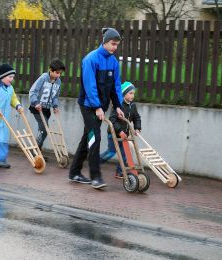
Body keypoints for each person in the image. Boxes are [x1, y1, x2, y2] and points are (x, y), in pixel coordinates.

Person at [68, 28, 125, 189]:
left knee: (88, 137)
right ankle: (96, 177)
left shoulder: (113, 62)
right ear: (105, 41)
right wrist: (97, 107)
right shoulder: (91, 59)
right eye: (113, 44)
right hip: (88, 105)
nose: (115, 47)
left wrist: (118, 106)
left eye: (117, 45)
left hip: (101, 106)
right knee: (95, 137)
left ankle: (74, 172)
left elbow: (116, 86)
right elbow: (89, 86)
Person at [100, 81, 141, 179]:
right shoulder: (118, 106)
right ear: (123, 94)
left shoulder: (133, 106)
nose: (132, 96)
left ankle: (119, 172)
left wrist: (137, 128)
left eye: (133, 94)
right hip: (113, 134)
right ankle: (96, 162)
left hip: (124, 136)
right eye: (130, 93)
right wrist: (119, 131)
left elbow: (136, 117)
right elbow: (112, 120)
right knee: (111, 152)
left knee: (124, 154)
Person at [29, 59, 65, 157]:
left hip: (46, 109)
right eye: (57, 72)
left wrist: (55, 106)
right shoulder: (43, 78)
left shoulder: (58, 82)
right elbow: (32, 92)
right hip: (36, 108)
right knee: (44, 129)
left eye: (60, 73)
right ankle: (36, 152)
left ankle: (37, 151)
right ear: (50, 70)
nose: (58, 75)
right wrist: (36, 102)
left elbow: (55, 96)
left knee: (44, 130)